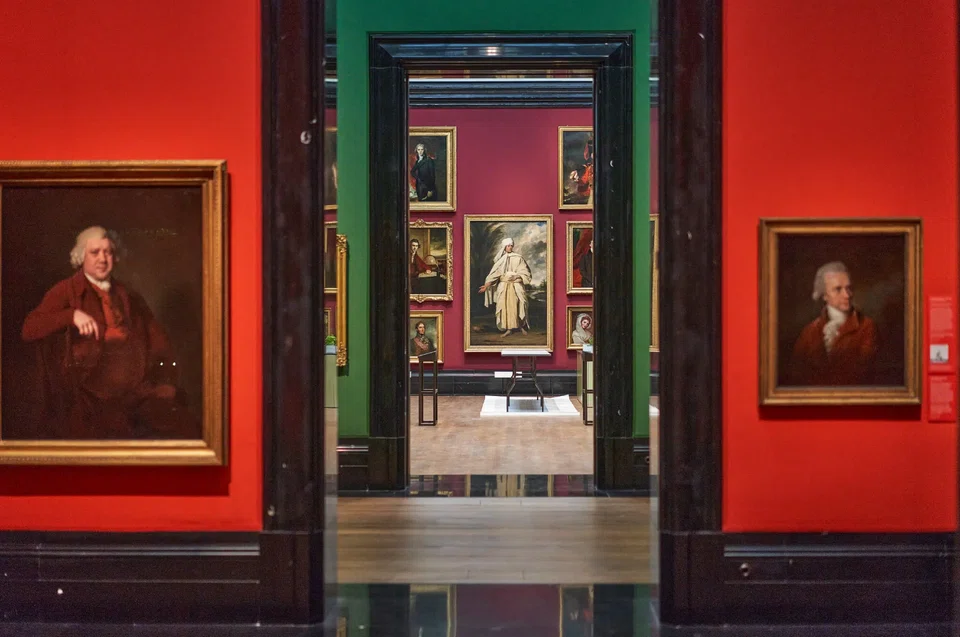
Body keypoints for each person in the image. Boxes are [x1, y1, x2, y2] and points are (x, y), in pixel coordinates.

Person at [21, 226, 193, 439]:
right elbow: (29, 328)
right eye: (95, 252)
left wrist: (165, 380)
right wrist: (71, 315)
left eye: (108, 252)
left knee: (183, 427)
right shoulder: (67, 290)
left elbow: (159, 343)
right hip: (90, 397)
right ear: (81, 256)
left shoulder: (128, 294)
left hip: (136, 393)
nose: (102, 258)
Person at [787, 261, 878, 386]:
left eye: (848, 288)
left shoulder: (867, 327)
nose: (847, 295)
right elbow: (796, 374)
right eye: (838, 289)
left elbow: (862, 374)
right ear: (824, 295)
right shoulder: (809, 331)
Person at [477, 237, 532, 338]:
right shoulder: (501, 260)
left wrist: (517, 276)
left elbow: (526, 272)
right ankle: (509, 329)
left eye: (511, 245)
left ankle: (521, 326)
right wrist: (486, 286)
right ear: (504, 247)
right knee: (506, 307)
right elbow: (495, 274)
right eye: (508, 246)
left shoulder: (518, 258)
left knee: (520, 304)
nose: (510, 247)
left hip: (516, 285)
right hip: (504, 286)